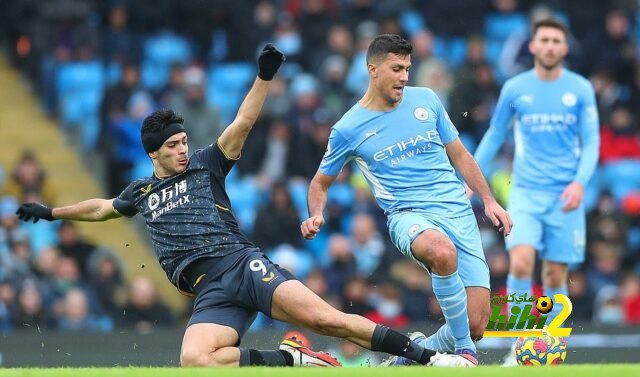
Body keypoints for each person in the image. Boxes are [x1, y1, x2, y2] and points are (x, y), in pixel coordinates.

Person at [15, 44, 466, 368]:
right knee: (196, 360)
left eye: (183, 142)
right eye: (172, 146)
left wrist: (264, 77)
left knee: (329, 320)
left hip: (242, 265)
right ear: (153, 154)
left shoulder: (206, 164)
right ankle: (290, 359)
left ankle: (427, 356)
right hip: (208, 290)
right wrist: (53, 213)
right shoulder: (140, 192)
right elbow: (101, 209)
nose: (181, 150)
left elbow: (243, 123)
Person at [301, 34, 512, 366]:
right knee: (442, 253)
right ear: (372, 69)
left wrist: (489, 201)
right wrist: (316, 214)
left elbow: (459, 154)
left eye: (407, 69)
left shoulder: (426, 100)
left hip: (457, 210)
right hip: (408, 215)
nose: (403, 77)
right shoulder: (348, 128)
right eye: (396, 68)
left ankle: (408, 357)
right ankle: (466, 356)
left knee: (477, 324)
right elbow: (320, 182)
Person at [473, 19, 600, 366]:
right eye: (543, 39)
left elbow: (591, 143)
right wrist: (471, 176)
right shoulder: (515, 88)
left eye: (555, 40)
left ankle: (552, 346)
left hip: (565, 196)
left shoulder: (581, 88)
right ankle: (518, 346)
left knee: (554, 274)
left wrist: (579, 183)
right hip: (525, 193)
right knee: (522, 260)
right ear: (532, 46)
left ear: (564, 48)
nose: (549, 46)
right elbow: (495, 134)